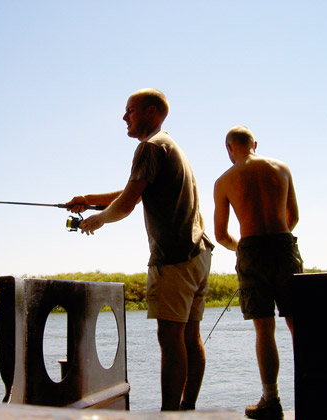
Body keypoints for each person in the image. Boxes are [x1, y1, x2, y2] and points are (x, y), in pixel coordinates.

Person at [66, 88, 214, 411]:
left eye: (129, 111)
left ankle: (169, 414)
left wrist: (97, 220)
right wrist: (89, 200)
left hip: (174, 260)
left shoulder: (149, 147)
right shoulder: (168, 145)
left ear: (151, 112)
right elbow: (133, 189)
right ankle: (187, 409)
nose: (124, 117)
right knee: (191, 337)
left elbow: (128, 203)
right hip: (198, 255)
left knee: (170, 340)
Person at [213, 125, 303, 419]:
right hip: (284, 244)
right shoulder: (281, 168)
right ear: (254, 143)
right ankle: (313, 389)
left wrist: (243, 248)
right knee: (297, 323)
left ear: (229, 148)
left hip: (250, 248)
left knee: (264, 328)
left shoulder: (224, 180)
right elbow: (294, 216)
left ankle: (271, 399)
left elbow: (221, 234)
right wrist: (278, 237)